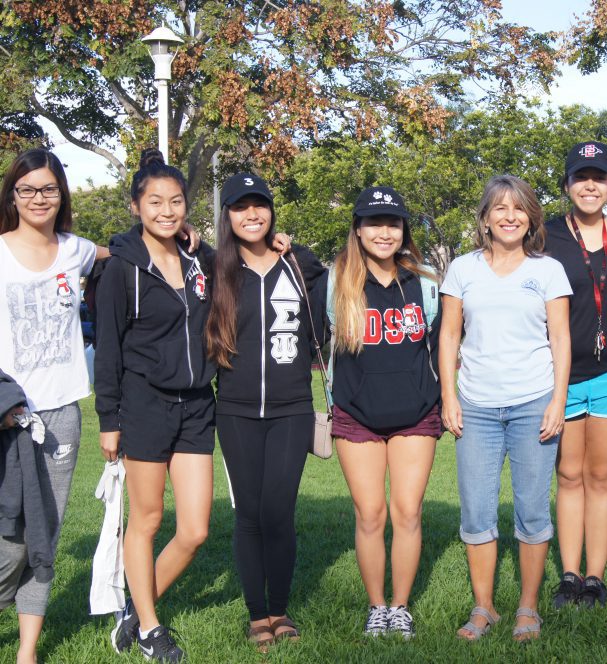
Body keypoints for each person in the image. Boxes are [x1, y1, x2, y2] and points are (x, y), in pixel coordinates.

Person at [95, 149, 216, 663]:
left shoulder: (198, 259)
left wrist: (204, 243)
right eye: (155, 202)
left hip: (196, 405)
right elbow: (108, 347)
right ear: (136, 205)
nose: (167, 211)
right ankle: (149, 628)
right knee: (146, 520)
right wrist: (108, 420)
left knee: (194, 530)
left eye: (176, 202)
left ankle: (132, 609)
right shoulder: (122, 268)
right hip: (144, 405)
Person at [439, 175, 571, 641]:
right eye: (500, 208)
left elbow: (560, 337)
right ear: (486, 219)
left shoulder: (549, 270)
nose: (510, 216)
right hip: (475, 406)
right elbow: (450, 334)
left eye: (519, 208)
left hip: (534, 402)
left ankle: (527, 609)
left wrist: (558, 399)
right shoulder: (462, 269)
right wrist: (449, 395)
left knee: (533, 510)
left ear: (531, 217)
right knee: (476, 511)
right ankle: (483, 608)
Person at [204, 173, 327, 650]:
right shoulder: (216, 269)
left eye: (260, 206)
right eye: (240, 207)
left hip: (292, 409)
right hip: (233, 410)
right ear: (228, 215)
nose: (252, 214)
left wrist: (299, 251)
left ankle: (281, 610)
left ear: (272, 212)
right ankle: (258, 616)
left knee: (279, 511)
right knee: (250, 514)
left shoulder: (294, 265)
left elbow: (323, 284)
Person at [0, 149, 102, 664]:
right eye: (28, 189)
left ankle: (27, 652)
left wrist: (185, 236)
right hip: (5, 416)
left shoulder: (76, 250)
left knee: (44, 537)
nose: (38, 198)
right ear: (12, 195)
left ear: (61, 195)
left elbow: (123, 253)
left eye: (49, 189)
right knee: (7, 539)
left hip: (61, 415)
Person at [329, 186, 441, 639]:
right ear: (357, 229)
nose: (383, 231)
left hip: (416, 412)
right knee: (370, 514)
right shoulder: (336, 282)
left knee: (407, 512)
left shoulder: (427, 282)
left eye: (392, 223)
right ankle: (377, 606)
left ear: (403, 231)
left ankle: (401, 606)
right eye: (373, 222)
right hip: (356, 414)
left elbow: (445, 343)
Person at [544, 141, 607, 609]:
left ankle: (595, 578)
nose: (589, 185)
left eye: (599, 177)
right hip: (561, 373)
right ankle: (568, 574)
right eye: (581, 177)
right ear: (566, 184)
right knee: (568, 473)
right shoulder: (542, 237)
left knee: (602, 475)